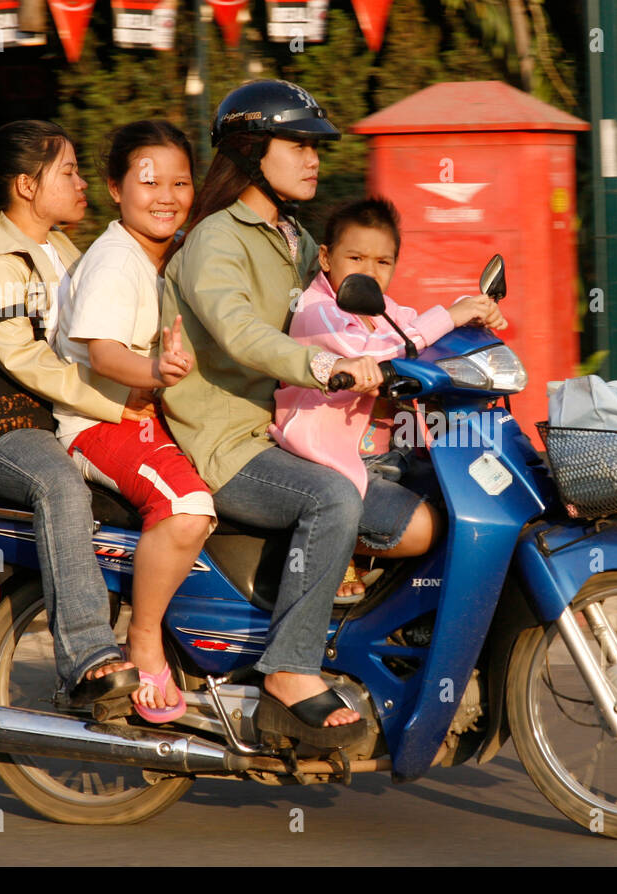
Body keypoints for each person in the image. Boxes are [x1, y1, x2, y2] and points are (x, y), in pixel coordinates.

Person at [160, 79, 384, 748]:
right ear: (254, 151)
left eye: (318, 147)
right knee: (336, 500)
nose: (314, 159)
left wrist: (433, 338)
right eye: (299, 145)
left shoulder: (291, 237)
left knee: (413, 500)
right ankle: (288, 674)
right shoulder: (215, 241)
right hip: (225, 444)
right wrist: (324, 368)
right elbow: (240, 332)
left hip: (282, 433)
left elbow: (343, 319)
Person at [0, 120, 146, 710]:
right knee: (58, 483)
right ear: (28, 186)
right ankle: (87, 658)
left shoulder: (60, 248)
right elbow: (32, 365)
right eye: (70, 172)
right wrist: (121, 402)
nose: (83, 183)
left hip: (54, 415)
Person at [52, 120, 216, 724]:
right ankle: (144, 640)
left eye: (180, 182)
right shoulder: (117, 260)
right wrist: (155, 369)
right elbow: (103, 353)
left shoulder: (170, 252)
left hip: (145, 416)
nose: (166, 195)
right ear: (116, 188)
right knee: (187, 508)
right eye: (149, 182)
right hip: (99, 425)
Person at [271, 197, 505, 575]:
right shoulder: (316, 311)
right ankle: (334, 545)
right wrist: (449, 316)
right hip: (335, 465)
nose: (370, 272)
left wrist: (471, 308)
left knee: (472, 498)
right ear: (327, 259)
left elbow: (417, 326)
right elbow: (372, 356)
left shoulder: (379, 309)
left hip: (392, 457)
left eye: (383, 262)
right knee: (425, 530)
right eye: (356, 259)